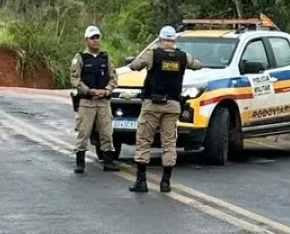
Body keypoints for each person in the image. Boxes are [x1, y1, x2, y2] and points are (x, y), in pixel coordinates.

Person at [127, 25, 203, 193]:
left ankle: (141, 181)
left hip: (152, 104)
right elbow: (198, 65)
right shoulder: (182, 56)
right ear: (174, 40)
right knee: (169, 143)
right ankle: (165, 182)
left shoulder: (153, 53)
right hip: (173, 105)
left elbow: (134, 66)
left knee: (144, 141)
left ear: (161, 39)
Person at [69, 25, 119, 174]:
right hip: (87, 102)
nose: (96, 41)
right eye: (92, 38)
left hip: (103, 102)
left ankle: (108, 161)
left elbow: (114, 78)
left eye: (97, 37)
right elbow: (74, 79)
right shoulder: (80, 58)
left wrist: (106, 90)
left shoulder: (106, 58)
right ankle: (80, 162)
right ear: (87, 40)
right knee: (83, 132)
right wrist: (88, 91)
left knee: (107, 132)